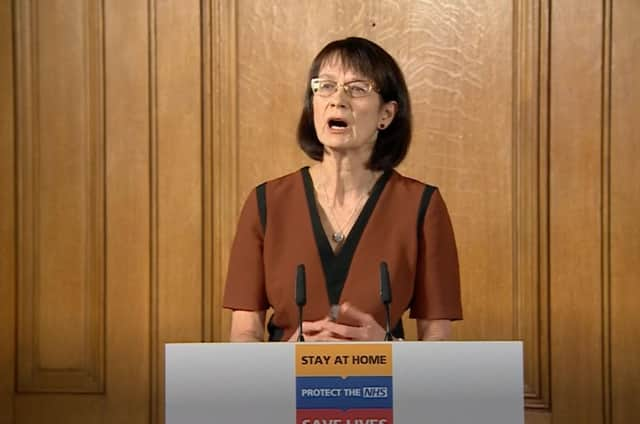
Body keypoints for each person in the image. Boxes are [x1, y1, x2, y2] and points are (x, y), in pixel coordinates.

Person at [223, 37, 462, 342]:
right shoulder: (266, 202)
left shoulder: (422, 205)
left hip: (386, 387)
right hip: (283, 386)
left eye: (357, 89)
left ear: (386, 115)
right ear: (314, 106)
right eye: (325, 86)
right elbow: (244, 333)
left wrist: (389, 350)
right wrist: (289, 357)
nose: (338, 99)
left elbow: (438, 342)